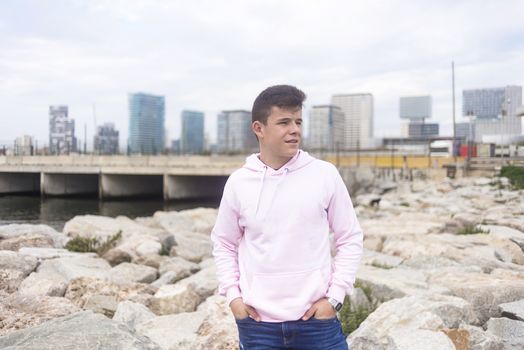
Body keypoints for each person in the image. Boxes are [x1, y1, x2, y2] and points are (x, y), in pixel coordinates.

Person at [211, 84, 363, 350]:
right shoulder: (239, 183)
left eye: (298, 121)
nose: (295, 130)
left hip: (318, 323)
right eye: (283, 122)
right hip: (258, 327)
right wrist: (234, 298)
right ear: (259, 128)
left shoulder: (324, 175)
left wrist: (335, 298)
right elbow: (223, 242)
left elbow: (350, 238)